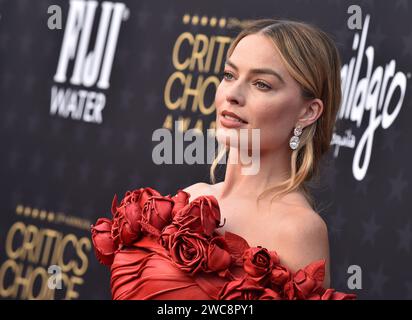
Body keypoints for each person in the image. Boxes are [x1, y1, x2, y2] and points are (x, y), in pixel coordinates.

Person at [91, 18, 356, 300]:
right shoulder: (189, 199)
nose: (233, 95)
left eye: (262, 84)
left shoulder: (297, 229)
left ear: (307, 112)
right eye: (230, 75)